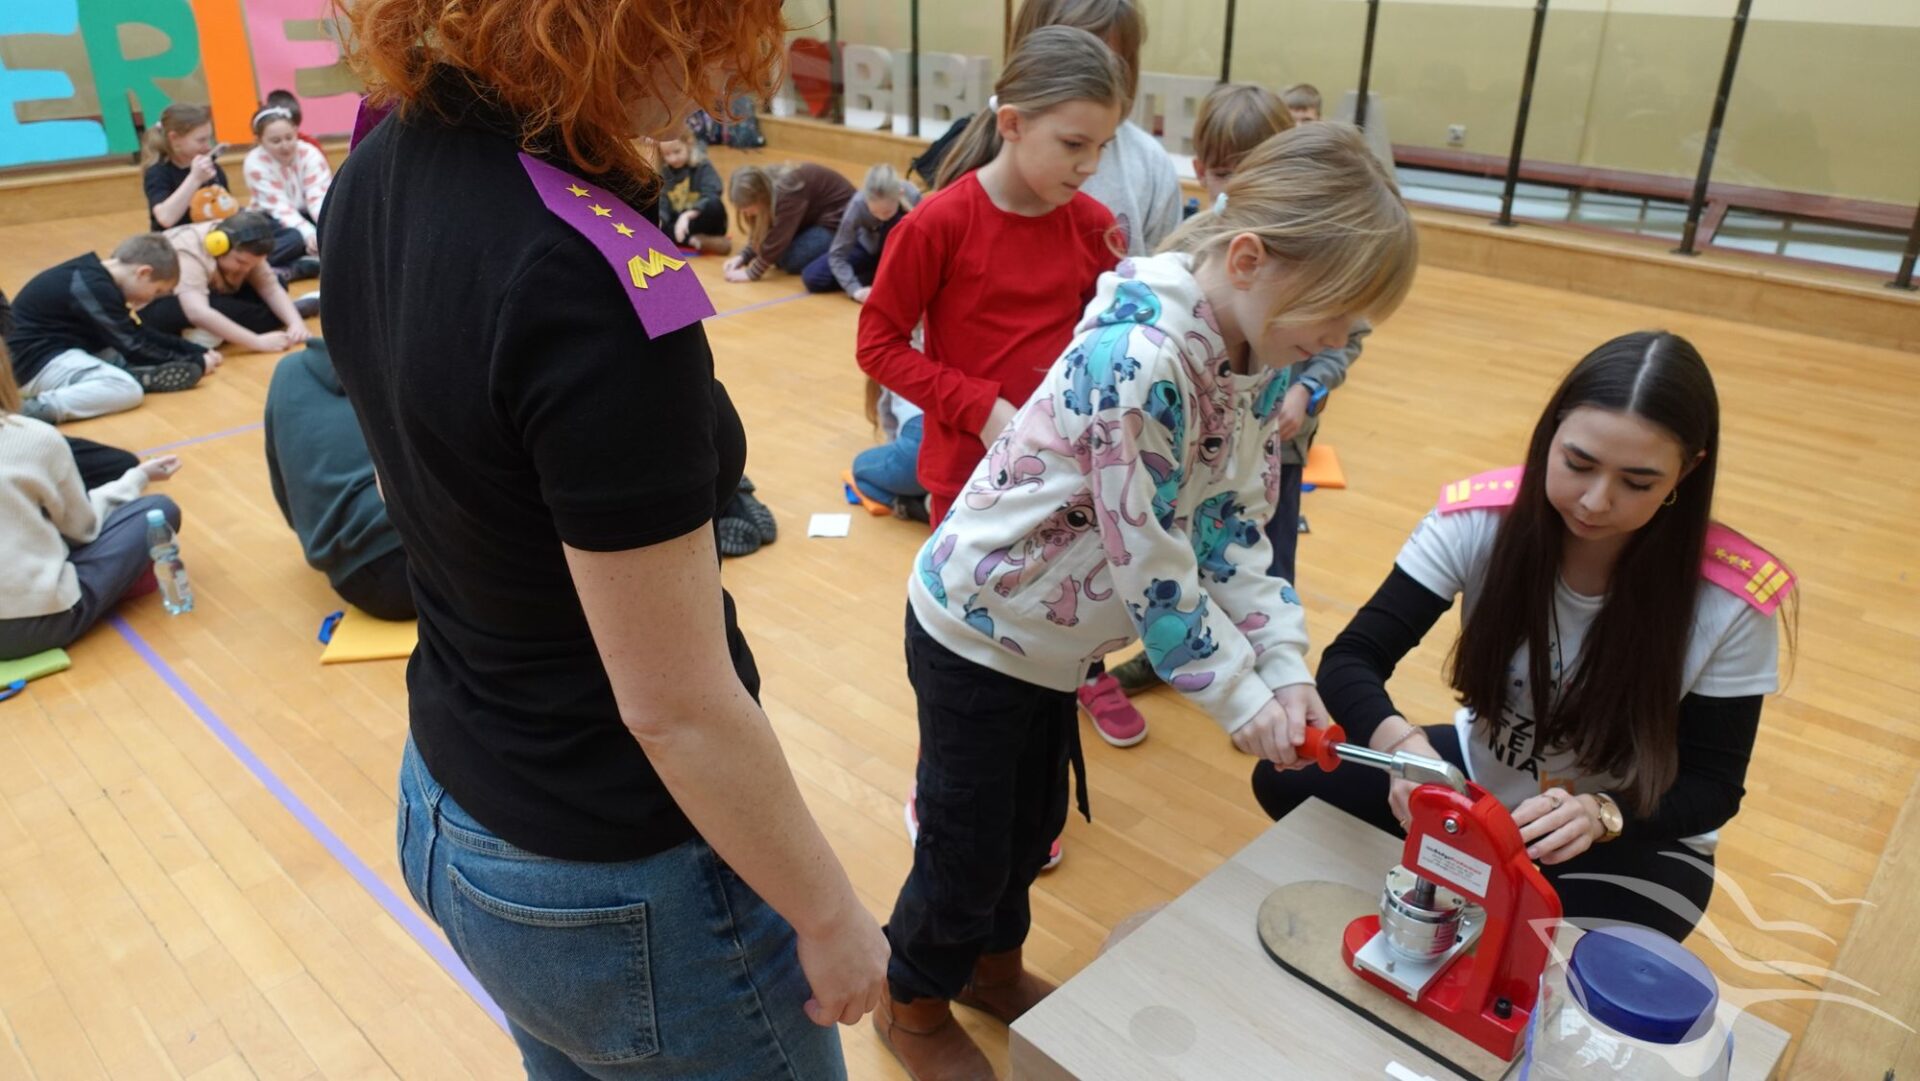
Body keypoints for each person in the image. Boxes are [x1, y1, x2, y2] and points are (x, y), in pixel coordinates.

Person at [322, 0, 887, 1074]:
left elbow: (425, 478)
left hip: (448, 792)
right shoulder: (587, 278)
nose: (716, 78)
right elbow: (675, 709)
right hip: (611, 883)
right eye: (703, 37)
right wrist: (830, 914)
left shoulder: (378, 161)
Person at [873, 122, 1416, 1081]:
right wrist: (1243, 699)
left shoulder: (1253, 365)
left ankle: (991, 971)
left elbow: (1233, 530)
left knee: (1030, 823)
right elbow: (1155, 569)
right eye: (1333, 318)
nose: (1336, 345)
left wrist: (1284, 668)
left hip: (1054, 642)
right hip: (978, 629)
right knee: (965, 848)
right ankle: (910, 1003)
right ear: (1246, 259)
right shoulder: (1139, 361)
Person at [1251, 331, 1794, 944]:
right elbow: (1352, 658)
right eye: (1578, 464)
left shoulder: (1729, 600)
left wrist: (1600, 813)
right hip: (1485, 779)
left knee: (1555, 936)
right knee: (1287, 781)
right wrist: (1404, 750)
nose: (1596, 501)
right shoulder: (1479, 521)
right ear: (1549, 434)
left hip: (1626, 821)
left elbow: (1712, 787)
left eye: (1637, 483)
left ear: (1686, 472)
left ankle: (1463, 887)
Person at [856, 27, 1145, 753]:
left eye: (1102, 146)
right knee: (972, 658)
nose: (1090, 165)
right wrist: (981, 408)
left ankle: (1075, 693)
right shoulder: (937, 224)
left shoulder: (1095, 226)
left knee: (1065, 615)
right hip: (969, 481)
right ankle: (946, 780)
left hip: (1069, 479)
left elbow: (1104, 347)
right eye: (1074, 144)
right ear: (1012, 124)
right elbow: (877, 345)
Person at [1112, 83, 1369, 697]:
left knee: (1261, 553)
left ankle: (1254, 661)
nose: (1238, 188)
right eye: (1227, 172)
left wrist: (1305, 390)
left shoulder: (1304, 269)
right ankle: (1182, 653)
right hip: (1200, 455)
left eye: (1255, 170)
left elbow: (1344, 339)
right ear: (1203, 170)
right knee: (1189, 549)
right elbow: (1148, 544)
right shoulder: (1183, 271)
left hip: (1279, 444)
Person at [0, 340, 183, 661]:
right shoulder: (33, 437)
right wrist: (136, 479)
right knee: (158, 510)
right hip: (34, 626)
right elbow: (83, 530)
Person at [1010, 0, 1182, 257]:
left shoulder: (1150, 164)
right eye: (1072, 144)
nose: (1090, 166)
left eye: (1111, 64)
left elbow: (1166, 272)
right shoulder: (984, 147)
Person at [263, 340, 413, 620]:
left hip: (350, 578)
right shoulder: (400, 362)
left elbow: (281, 485)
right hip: (413, 566)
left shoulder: (287, 371)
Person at [3, 234, 221, 423]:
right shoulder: (93, 287)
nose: (151, 299)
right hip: (32, 366)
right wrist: (192, 362)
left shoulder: (96, 277)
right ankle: (32, 409)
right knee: (126, 389)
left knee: (120, 357)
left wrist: (195, 350)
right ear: (144, 273)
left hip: (63, 350)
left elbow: (137, 333)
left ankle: (126, 374)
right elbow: (133, 345)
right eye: (156, 291)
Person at [141, 212, 313, 354]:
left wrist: (296, 323)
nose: (246, 269)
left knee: (279, 283)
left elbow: (270, 287)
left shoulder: (245, 249)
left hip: (213, 294)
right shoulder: (188, 250)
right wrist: (257, 342)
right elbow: (196, 311)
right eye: (240, 262)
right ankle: (222, 328)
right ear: (218, 246)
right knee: (259, 315)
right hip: (167, 303)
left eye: (252, 265)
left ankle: (214, 330)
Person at [723, 162, 855, 287]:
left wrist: (752, 273)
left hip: (839, 222)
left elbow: (779, 236)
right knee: (775, 253)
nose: (745, 213)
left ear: (759, 196)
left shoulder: (787, 192)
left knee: (790, 261)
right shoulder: (766, 189)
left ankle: (846, 249)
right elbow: (764, 231)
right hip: (813, 220)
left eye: (746, 208)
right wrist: (743, 256)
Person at [244, 103, 332, 264]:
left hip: (307, 214)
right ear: (259, 140)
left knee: (334, 230)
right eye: (276, 141)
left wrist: (325, 233)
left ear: (296, 132)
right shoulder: (254, 162)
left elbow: (319, 198)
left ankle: (300, 262)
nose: (285, 146)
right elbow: (279, 208)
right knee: (293, 239)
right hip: (272, 219)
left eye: (289, 138)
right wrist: (309, 234)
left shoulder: (310, 153)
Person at [818, 163, 919, 301]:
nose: (881, 217)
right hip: (869, 249)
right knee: (815, 277)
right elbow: (837, 254)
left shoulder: (914, 196)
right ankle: (879, 276)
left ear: (899, 194)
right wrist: (855, 290)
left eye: (887, 212)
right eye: (874, 212)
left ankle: (884, 277)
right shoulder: (857, 204)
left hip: (900, 256)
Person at [847, 384, 929, 522]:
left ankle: (910, 505)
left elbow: (889, 422)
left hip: (917, 455)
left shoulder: (894, 375)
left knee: (860, 469)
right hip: (957, 457)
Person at [653, 125, 731, 254]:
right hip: (680, 226)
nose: (673, 159)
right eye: (667, 155)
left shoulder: (703, 165)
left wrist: (688, 215)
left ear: (689, 144)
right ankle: (696, 241)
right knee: (655, 221)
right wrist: (660, 220)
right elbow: (663, 202)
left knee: (715, 205)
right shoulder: (665, 172)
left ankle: (689, 239)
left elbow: (712, 193)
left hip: (701, 220)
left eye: (677, 152)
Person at [264, 88, 327, 153]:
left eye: (294, 126)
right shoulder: (262, 149)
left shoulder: (311, 144)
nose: (285, 146)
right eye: (276, 140)